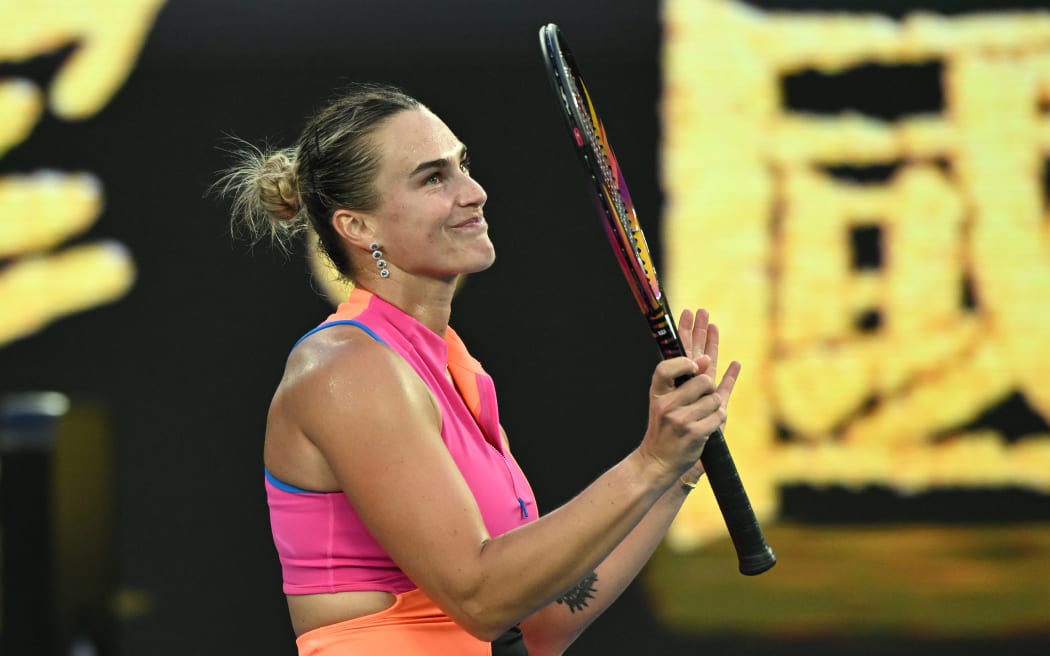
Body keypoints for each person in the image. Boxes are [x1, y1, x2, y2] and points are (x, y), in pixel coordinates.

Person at [217, 82, 740, 656]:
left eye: (463, 164)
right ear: (358, 227)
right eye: (433, 177)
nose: (475, 192)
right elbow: (481, 599)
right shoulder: (346, 368)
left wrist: (675, 468)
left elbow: (541, 624)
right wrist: (647, 464)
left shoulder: (457, 371)